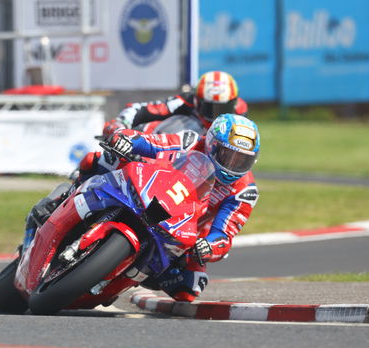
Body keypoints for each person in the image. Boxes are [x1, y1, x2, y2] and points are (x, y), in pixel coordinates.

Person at [76, 113, 260, 301]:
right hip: (151, 192)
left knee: (190, 287)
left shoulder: (245, 192)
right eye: (228, 155)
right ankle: (60, 201)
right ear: (212, 144)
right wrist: (126, 139)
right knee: (100, 159)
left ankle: (123, 278)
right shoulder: (191, 141)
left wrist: (209, 246)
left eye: (241, 160)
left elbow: (224, 234)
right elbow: (153, 143)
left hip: (184, 231)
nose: (233, 165)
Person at [102, 70, 248, 137]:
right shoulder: (183, 101)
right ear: (197, 100)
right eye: (210, 108)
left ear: (234, 102)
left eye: (224, 108)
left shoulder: (240, 112)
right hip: (171, 150)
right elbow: (141, 109)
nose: (217, 115)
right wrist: (120, 124)